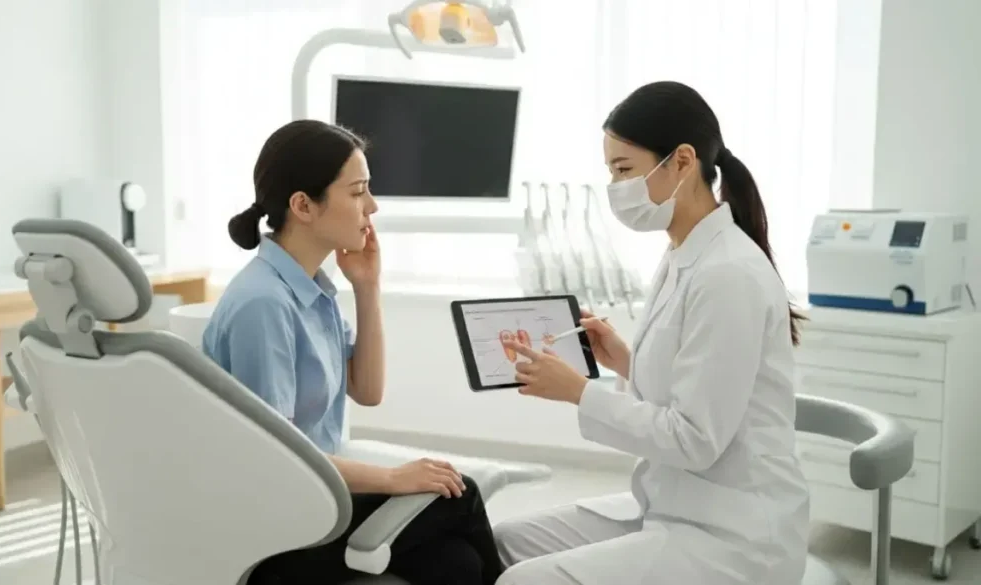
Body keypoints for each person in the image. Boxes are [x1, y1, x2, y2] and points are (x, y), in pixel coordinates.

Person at [492, 81, 811, 585]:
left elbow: (694, 439)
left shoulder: (728, 273)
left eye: (624, 170)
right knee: (504, 542)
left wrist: (580, 394)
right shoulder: (683, 253)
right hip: (676, 505)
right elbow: (690, 379)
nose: (616, 187)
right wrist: (625, 360)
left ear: (682, 162)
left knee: (523, 581)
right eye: (610, 172)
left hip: (735, 537)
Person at [202, 119, 503, 585]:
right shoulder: (262, 304)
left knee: (457, 563)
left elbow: (368, 390)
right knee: (460, 496)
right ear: (303, 205)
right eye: (358, 192)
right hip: (277, 532)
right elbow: (277, 459)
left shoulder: (310, 290)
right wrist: (391, 479)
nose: (372, 207)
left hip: (319, 504)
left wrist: (367, 286)